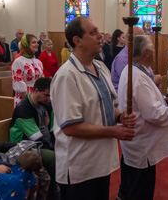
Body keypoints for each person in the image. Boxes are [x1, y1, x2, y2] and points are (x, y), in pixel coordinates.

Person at [51, 17, 135, 200]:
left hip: (100, 162)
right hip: (80, 166)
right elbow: (70, 126)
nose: (100, 36)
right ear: (77, 40)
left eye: (98, 31)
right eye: (93, 32)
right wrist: (113, 131)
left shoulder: (100, 67)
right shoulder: (67, 76)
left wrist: (121, 117)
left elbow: (108, 106)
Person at [117, 35, 168, 200]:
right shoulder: (137, 76)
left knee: (133, 185)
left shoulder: (135, 70)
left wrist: (165, 100)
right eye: (152, 48)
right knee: (140, 190)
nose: (154, 51)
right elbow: (152, 112)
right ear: (146, 52)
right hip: (142, 145)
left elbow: (145, 101)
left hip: (139, 143)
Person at [10, 77, 58, 199]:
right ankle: (54, 194)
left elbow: (52, 128)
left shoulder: (45, 104)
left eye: (50, 95)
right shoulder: (23, 109)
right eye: (46, 95)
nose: (49, 99)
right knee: (54, 158)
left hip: (42, 143)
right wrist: (54, 147)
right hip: (26, 146)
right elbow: (36, 138)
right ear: (36, 90)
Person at [111, 27, 150, 93]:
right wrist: (153, 80)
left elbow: (148, 73)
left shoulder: (138, 55)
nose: (145, 43)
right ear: (134, 41)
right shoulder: (123, 59)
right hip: (128, 97)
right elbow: (134, 83)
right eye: (142, 39)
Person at [12, 34, 43, 107]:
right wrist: (30, 100)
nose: (37, 44)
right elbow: (18, 81)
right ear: (26, 45)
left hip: (37, 96)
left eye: (37, 42)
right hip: (25, 98)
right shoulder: (19, 61)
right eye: (34, 42)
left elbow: (42, 79)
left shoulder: (38, 61)